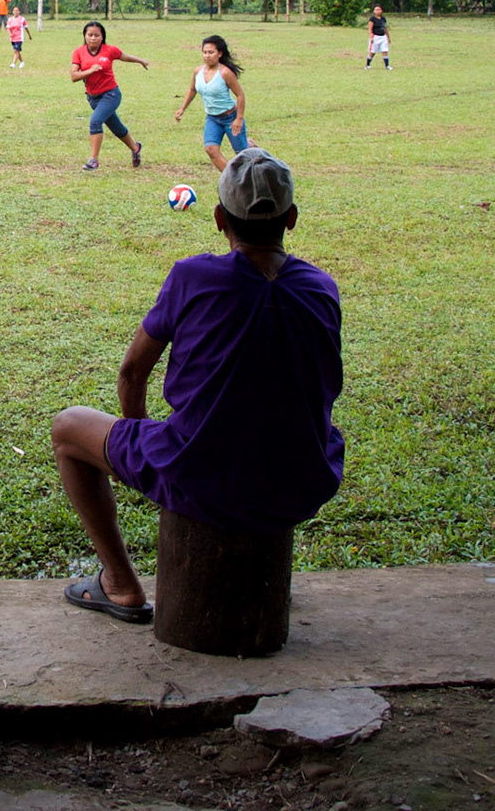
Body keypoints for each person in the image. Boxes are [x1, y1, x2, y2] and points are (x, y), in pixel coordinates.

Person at [50, 148, 344, 622]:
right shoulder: (320, 286)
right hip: (302, 476)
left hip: (199, 470)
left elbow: (131, 373)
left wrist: (137, 440)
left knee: (67, 430)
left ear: (216, 218)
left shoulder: (193, 277)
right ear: (291, 219)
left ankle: (120, 584)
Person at [70, 20, 146, 171]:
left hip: (111, 95)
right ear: (84, 36)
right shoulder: (78, 52)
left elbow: (125, 57)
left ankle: (93, 160)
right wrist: (90, 70)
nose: (93, 38)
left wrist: (140, 61)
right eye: (90, 35)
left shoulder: (109, 50)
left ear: (102, 36)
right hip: (93, 98)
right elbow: (74, 76)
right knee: (116, 128)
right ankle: (135, 148)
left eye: (97, 35)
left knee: (95, 121)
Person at [175, 35, 247, 173]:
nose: (207, 56)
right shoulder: (198, 71)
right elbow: (192, 89)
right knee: (211, 150)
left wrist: (239, 118)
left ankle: (254, 149)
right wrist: (182, 109)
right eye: (205, 52)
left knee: (242, 153)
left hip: (230, 117)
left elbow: (240, 95)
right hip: (212, 118)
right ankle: (231, 179)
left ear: (219, 54)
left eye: (211, 52)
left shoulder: (225, 73)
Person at [366, 5, 391, 69]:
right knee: (372, 52)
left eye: (379, 9)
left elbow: (385, 28)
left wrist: (388, 37)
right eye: (376, 9)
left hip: (383, 37)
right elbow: (370, 29)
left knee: (385, 51)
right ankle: (367, 65)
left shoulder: (383, 19)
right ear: (374, 11)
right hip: (375, 37)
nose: (378, 11)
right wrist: (371, 37)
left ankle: (387, 66)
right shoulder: (372, 19)